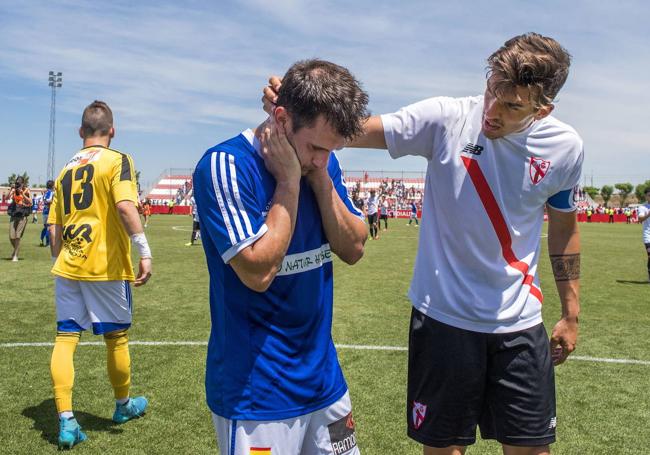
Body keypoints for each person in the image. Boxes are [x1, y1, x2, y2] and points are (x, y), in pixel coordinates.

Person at [261, 31, 582, 455]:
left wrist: (571, 312)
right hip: (443, 320)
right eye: (491, 91)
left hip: (520, 325)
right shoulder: (445, 119)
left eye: (512, 106)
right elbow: (354, 130)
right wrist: (299, 110)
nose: (492, 111)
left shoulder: (565, 149)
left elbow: (564, 228)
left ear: (544, 108)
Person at [194, 59, 368, 455]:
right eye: (316, 148)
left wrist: (318, 176)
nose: (323, 158)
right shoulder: (226, 165)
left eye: (332, 150)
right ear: (282, 118)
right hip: (257, 393)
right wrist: (289, 180)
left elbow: (354, 248)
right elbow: (258, 271)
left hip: (325, 384)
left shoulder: (322, 166)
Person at [47, 100, 152, 449]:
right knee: (116, 339)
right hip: (105, 266)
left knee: (65, 339)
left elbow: (54, 227)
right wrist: (144, 250)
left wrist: (61, 260)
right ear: (112, 131)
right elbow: (125, 206)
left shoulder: (65, 169)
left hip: (68, 265)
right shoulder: (117, 159)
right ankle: (122, 406)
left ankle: (66, 421)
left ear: (81, 133)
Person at [7, 176, 32, 261]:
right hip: (13, 215)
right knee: (11, 236)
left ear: (23, 184)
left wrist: (23, 193)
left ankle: (15, 256)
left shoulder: (26, 190)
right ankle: (16, 250)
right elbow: (7, 198)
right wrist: (11, 191)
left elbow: (30, 202)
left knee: (17, 236)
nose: (18, 185)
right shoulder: (13, 190)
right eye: (17, 183)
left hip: (22, 216)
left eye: (19, 183)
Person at [637, 187, 650, 282]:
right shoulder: (642, 207)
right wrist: (649, 214)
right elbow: (640, 219)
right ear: (646, 196)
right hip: (648, 236)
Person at [40, 180, 55, 246]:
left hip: (44, 212)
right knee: (49, 228)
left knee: (46, 227)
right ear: (52, 186)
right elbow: (48, 201)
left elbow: (44, 200)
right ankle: (48, 243)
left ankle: (42, 240)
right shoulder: (51, 192)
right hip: (49, 212)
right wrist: (53, 201)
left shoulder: (46, 192)